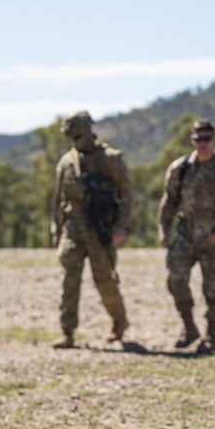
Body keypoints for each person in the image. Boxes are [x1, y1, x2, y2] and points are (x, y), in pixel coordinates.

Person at [158, 118, 215, 353]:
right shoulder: (180, 168)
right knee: (176, 279)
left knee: (213, 288)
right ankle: (189, 328)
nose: (203, 143)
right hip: (186, 234)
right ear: (192, 140)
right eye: (199, 139)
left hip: (214, 239)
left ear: (214, 139)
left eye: (207, 138)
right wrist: (163, 229)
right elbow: (169, 201)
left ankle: (211, 335)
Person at [50, 110, 133, 348]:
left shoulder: (110, 158)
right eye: (72, 137)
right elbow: (58, 199)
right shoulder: (67, 162)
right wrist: (56, 230)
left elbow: (127, 194)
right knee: (69, 279)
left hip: (100, 230)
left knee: (104, 280)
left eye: (78, 135)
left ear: (88, 131)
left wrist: (121, 227)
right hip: (73, 228)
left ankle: (119, 322)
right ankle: (67, 331)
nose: (75, 140)